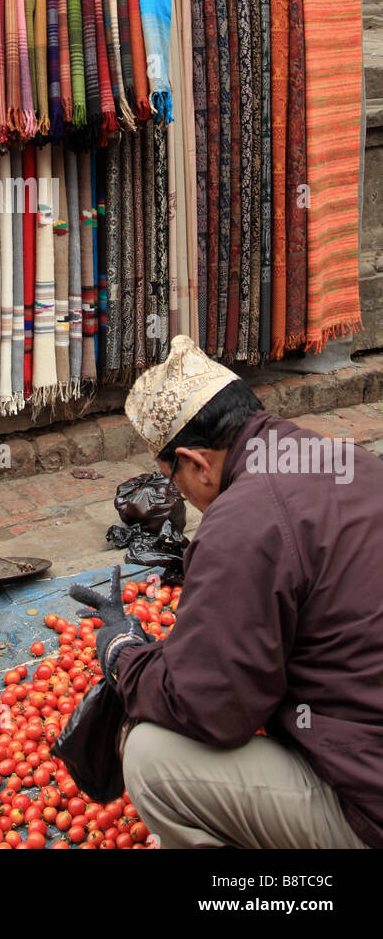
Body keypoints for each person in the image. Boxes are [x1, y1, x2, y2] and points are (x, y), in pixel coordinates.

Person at [70, 334, 383, 850]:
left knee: (151, 754)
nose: (183, 497)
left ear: (196, 462)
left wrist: (125, 655)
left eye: (171, 478)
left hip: (369, 807)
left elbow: (210, 709)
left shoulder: (244, 520)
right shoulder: (349, 460)